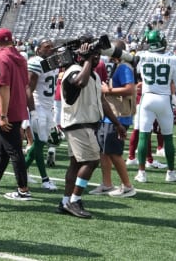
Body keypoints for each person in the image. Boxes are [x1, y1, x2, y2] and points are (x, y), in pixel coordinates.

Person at [57, 36, 124, 218]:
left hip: (87, 124)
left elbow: (102, 101)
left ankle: (65, 201)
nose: (96, 58)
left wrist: (116, 123)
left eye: (97, 55)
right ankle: (75, 200)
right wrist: (85, 59)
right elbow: (79, 82)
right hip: (78, 124)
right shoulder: (75, 70)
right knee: (91, 161)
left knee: (76, 164)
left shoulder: (93, 75)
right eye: (93, 55)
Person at [0, 28, 31, 200]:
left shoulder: (2, 58)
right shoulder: (21, 58)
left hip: (8, 109)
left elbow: (4, 87)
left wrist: (3, 114)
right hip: (18, 106)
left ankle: (23, 189)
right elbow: (25, 84)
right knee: (2, 148)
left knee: (14, 150)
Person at [133, 30, 176, 183]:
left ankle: (141, 173)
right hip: (164, 99)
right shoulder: (173, 59)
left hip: (147, 98)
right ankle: (170, 173)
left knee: (144, 135)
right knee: (168, 138)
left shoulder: (142, 56)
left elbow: (138, 72)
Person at [89, 40, 136, 197]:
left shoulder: (124, 67)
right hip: (110, 115)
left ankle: (127, 186)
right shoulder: (119, 65)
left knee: (114, 152)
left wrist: (107, 90)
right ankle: (107, 183)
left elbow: (130, 89)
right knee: (104, 151)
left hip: (119, 115)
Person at [22, 38, 59, 191]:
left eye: (51, 46)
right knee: (39, 143)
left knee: (40, 143)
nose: (50, 48)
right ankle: (44, 178)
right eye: (46, 47)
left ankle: (22, 171)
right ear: (38, 49)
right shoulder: (36, 62)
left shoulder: (53, 62)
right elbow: (28, 88)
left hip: (47, 107)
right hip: (38, 106)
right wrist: (33, 111)